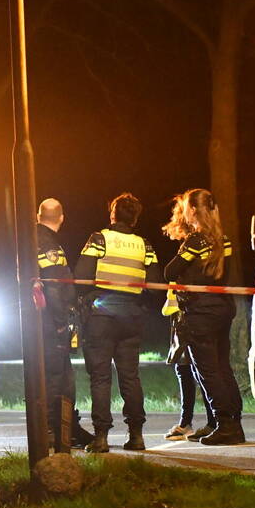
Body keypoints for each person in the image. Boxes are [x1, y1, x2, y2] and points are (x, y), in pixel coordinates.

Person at [75, 193, 163, 453]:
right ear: (135, 217)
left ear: (112, 214)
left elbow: (81, 277)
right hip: (132, 317)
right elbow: (157, 286)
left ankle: (101, 438)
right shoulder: (145, 246)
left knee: (101, 378)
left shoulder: (99, 239)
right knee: (130, 377)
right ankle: (136, 436)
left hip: (101, 318)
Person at [164, 188, 243, 445]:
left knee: (207, 371)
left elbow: (170, 271)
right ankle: (234, 423)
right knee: (222, 368)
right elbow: (221, 275)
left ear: (194, 210)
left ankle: (225, 424)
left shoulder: (196, 242)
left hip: (200, 313)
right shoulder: (224, 240)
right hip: (222, 310)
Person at [35, 199, 93, 450]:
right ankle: (55, 429)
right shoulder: (49, 244)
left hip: (38, 320)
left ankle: (64, 426)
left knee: (55, 374)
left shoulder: (30, 239)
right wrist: (61, 323)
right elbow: (55, 286)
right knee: (58, 376)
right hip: (52, 321)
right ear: (61, 218)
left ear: (38, 216)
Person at [161, 200, 215, 441]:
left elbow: (171, 271)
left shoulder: (196, 242)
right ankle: (196, 421)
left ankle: (203, 421)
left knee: (193, 366)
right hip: (183, 309)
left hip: (191, 310)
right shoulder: (197, 240)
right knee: (185, 366)